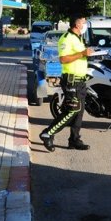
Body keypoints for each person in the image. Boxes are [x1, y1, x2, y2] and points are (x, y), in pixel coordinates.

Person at [40, 15, 95, 152]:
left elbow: (80, 56)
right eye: (83, 22)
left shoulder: (78, 38)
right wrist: (82, 53)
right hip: (71, 81)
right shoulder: (66, 38)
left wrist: (87, 54)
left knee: (79, 112)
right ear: (76, 24)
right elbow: (63, 59)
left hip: (80, 81)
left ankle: (74, 140)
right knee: (72, 110)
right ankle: (47, 133)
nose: (85, 24)